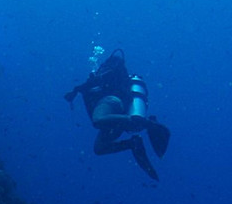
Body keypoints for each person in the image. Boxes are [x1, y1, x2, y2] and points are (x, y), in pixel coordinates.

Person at [64, 49, 171, 180]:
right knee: (99, 148)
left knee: (97, 120)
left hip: (110, 102)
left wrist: (77, 89)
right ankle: (133, 143)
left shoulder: (108, 72)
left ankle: (146, 123)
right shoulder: (110, 76)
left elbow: (93, 84)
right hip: (115, 114)